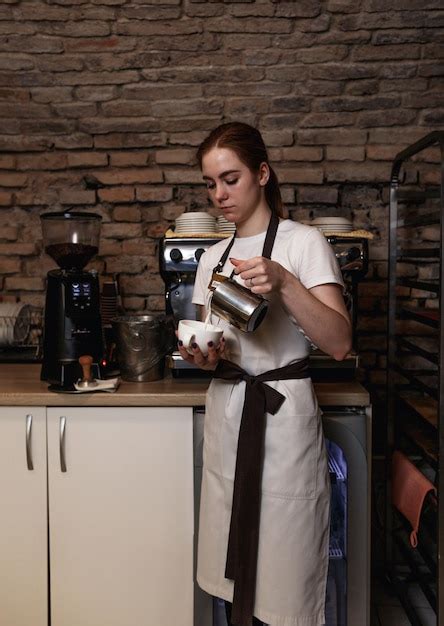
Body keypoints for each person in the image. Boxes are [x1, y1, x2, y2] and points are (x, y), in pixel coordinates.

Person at [177, 122, 352, 626]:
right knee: (229, 570)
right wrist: (201, 356)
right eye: (210, 184)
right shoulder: (211, 258)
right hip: (230, 412)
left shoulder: (304, 243)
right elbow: (212, 342)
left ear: (262, 173)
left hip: (282, 414)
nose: (219, 195)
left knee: (286, 564)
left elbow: (339, 342)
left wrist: (284, 282)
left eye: (230, 179)